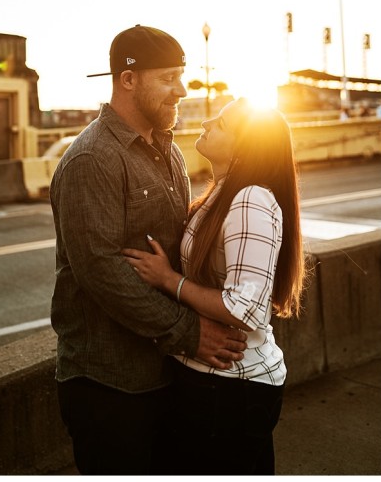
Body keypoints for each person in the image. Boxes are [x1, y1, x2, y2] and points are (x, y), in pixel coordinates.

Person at [51, 25, 248, 475]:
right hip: (109, 382)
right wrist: (190, 331)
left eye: (183, 76)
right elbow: (101, 271)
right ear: (128, 80)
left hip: (166, 371)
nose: (182, 90)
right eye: (168, 78)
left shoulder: (170, 151)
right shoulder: (92, 160)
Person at [123, 97, 307, 475]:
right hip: (215, 381)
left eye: (221, 123)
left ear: (243, 146)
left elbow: (247, 309)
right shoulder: (223, 195)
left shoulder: (250, 199)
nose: (207, 122)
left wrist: (167, 279)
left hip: (231, 386)